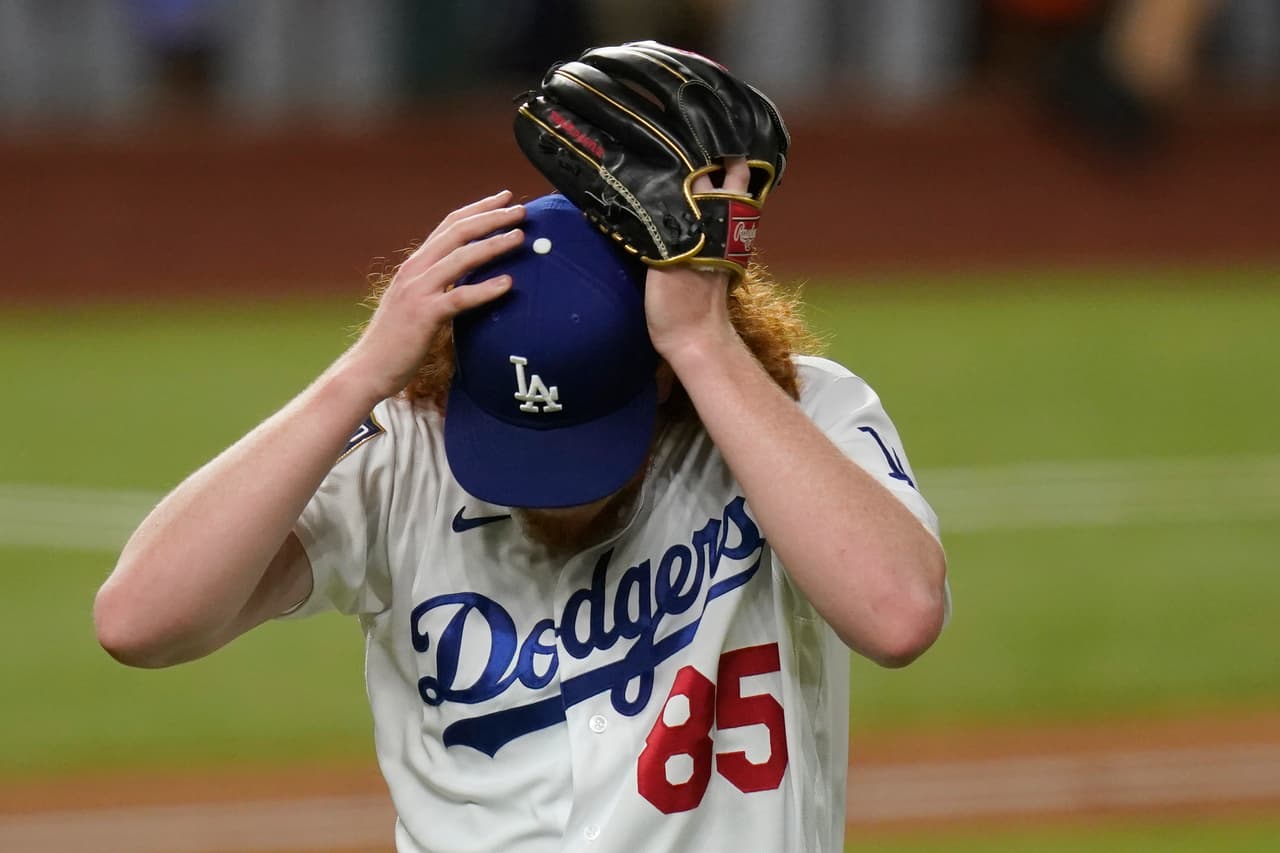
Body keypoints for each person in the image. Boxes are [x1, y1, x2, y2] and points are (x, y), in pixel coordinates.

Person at [94, 161, 948, 851]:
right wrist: (358, 375)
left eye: (582, 446)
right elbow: (140, 619)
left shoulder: (791, 414)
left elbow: (899, 613)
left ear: (657, 378)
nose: (552, 492)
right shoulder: (407, 453)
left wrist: (703, 341)